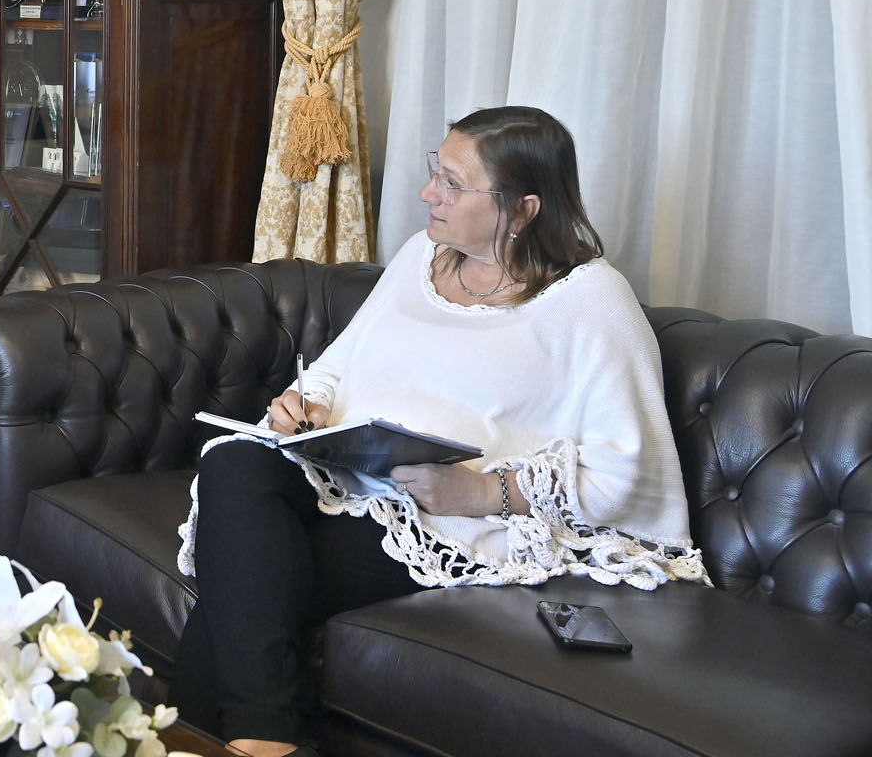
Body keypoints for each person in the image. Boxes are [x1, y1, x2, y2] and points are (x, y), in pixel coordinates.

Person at [172, 106, 705, 757]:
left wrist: (479, 493)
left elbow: (630, 472)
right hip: (348, 474)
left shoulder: (592, 301)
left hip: (451, 522)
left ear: (524, 208)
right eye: (436, 172)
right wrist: (305, 402)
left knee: (244, 586)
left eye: (453, 183)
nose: (429, 193)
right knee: (234, 463)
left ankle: (249, 740)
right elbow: (339, 365)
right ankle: (267, 743)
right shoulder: (420, 257)